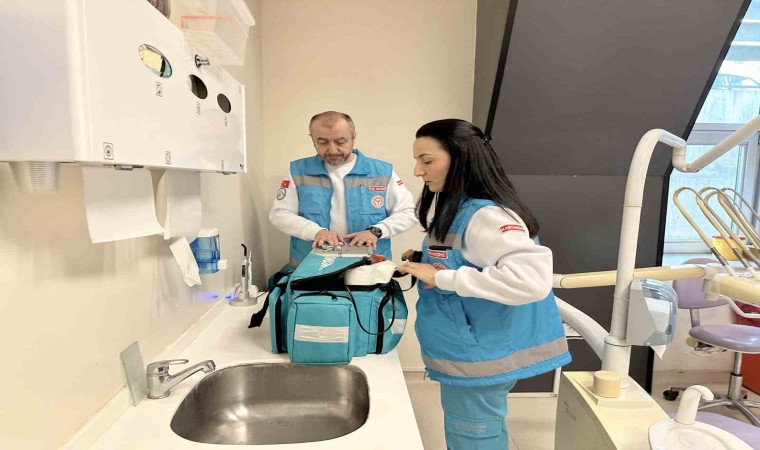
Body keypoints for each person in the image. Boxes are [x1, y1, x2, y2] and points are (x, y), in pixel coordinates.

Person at [396, 119, 571, 449]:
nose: (418, 171)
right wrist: (425, 261)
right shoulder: (459, 208)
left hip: (479, 353)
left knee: (473, 438)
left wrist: (442, 277)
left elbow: (531, 281)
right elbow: (469, 257)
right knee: (481, 432)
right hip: (472, 347)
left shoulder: (487, 216)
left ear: (460, 159)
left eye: (427, 160)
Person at [269, 111, 417, 269]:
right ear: (312, 139)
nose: (332, 150)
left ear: (353, 137)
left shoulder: (381, 172)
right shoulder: (298, 171)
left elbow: (408, 212)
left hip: (369, 269)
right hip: (312, 269)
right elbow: (280, 214)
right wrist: (315, 232)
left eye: (340, 141)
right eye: (323, 142)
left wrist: (376, 231)